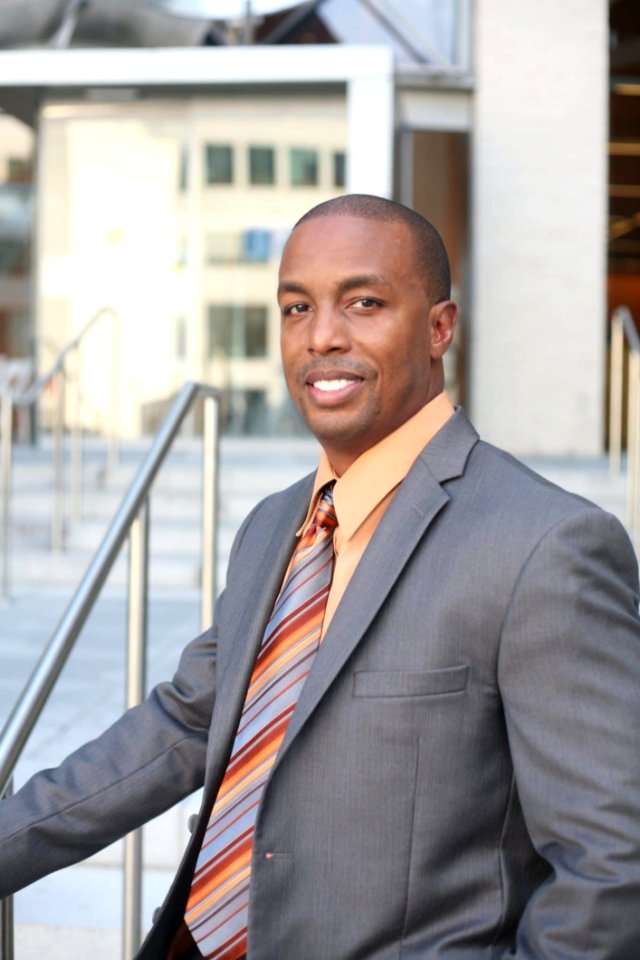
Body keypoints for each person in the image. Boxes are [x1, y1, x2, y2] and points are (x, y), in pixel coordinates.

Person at [1, 194, 640, 960]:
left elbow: (612, 863)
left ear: (440, 327)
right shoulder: (275, 524)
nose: (322, 337)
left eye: (364, 303)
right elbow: (186, 725)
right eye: (296, 307)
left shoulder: (545, 545)